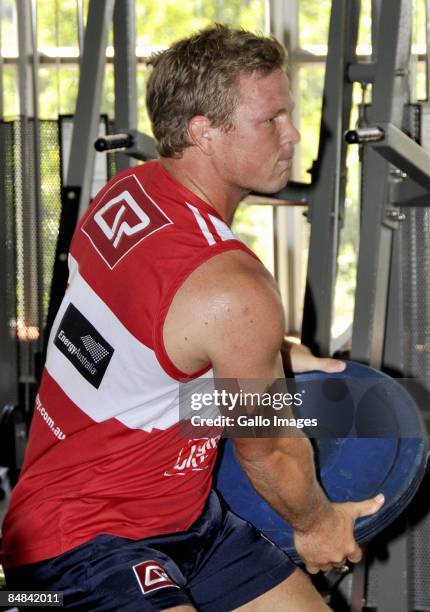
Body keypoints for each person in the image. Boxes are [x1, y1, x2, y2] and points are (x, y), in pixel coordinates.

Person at [1, 24, 384, 611]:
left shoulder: (129, 192)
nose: (294, 134)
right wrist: (317, 524)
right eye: (272, 119)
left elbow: (153, 362)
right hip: (79, 541)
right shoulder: (234, 288)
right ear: (204, 132)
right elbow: (271, 449)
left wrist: (265, 355)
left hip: (188, 520)